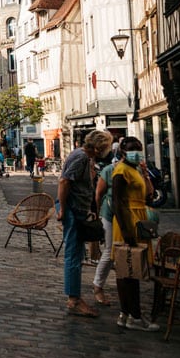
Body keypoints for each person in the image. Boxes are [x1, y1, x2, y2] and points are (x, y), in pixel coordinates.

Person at [56, 128, 112, 318]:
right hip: (72, 210)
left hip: (77, 209)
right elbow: (64, 182)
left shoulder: (84, 157)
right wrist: (63, 209)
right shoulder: (80, 157)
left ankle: (75, 297)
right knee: (73, 255)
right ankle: (74, 299)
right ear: (98, 147)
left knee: (77, 253)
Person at [111, 136, 160, 331]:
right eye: (132, 149)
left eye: (138, 149)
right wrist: (127, 231)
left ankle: (127, 314)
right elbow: (117, 202)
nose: (136, 152)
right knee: (129, 270)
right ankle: (134, 316)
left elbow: (149, 196)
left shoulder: (135, 170)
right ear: (123, 152)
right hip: (128, 222)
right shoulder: (121, 170)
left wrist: (146, 174)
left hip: (137, 219)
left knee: (130, 270)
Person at [91, 148, 117, 307]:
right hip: (109, 215)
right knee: (110, 251)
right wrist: (97, 214)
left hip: (131, 217)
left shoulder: (139, 171)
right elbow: (98, 195)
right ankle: (98, 285)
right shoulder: (109, 170)